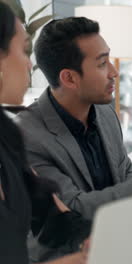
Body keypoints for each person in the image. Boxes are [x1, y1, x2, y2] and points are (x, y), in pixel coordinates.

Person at [15, 17, 132, 261]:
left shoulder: (105, 112)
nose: (114, 71)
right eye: (101, 64)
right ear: (69, 78)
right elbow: (72, 211)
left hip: (121, 246)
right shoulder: (26, 135)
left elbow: (124, 170)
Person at [0, 3, 89, 263]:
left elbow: (53, 215)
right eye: (23, 50)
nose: (29, 65)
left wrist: (89, 239)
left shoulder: (7, 136)